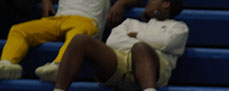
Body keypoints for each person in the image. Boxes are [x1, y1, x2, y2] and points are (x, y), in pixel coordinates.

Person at [47, 0, 188, 91]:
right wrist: (149, 42)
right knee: (80, 40)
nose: (149, 1)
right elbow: (113, 42)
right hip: (121, 60)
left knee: (140, 48)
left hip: (155, 66)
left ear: (166, 3)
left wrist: (137, 36)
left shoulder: (179, 27)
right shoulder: (131, 22)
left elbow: (167, 42)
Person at [0, 0, 138, 81]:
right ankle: (6, 64)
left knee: (77, 36)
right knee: (19, 30)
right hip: (58, 19)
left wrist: (120, 4)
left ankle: (59, 65)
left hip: (86, 21)